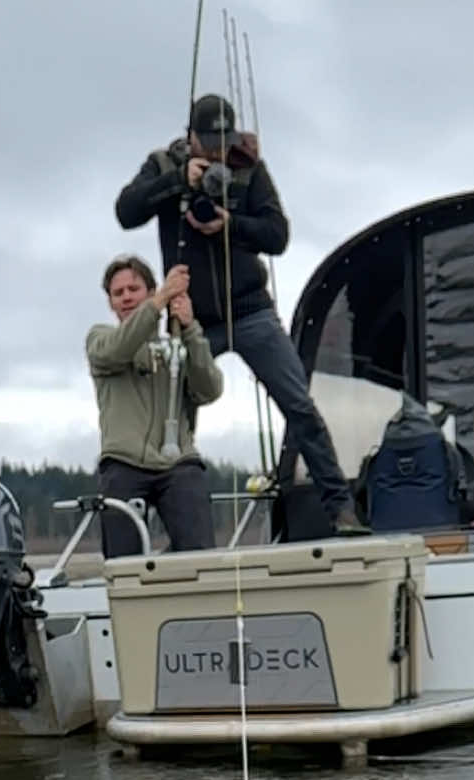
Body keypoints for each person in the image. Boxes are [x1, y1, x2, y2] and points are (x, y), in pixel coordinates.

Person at [115, 92, 367, 536]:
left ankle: (341, 510)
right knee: (171, 424)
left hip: (250, 311)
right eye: (209, 139)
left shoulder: (248, 167)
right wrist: (176, 181)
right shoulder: (161, 164)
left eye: (224, 139)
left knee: (300, 407)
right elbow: (126, 211)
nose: (217, 148)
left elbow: (278, 235)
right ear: (190, 135)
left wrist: (229, 224)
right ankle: (168, 530)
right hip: (189, 319)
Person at [86, 254, 223, 558]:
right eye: (117, 293)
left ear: (148, 291)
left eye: (133, 289)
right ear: (110, 303)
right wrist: (160, 301)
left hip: (178, 462)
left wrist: (190, 330)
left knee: (200, 553)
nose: (125, 298)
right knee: (123, 562)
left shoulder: (175, 347)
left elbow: (210, 389)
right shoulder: (100, 339)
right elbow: (117, 350)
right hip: (123, 462)